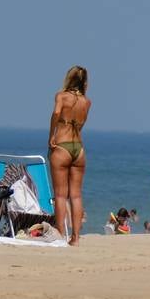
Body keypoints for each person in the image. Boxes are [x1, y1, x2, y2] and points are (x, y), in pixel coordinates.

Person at [48, 65, 91, 245]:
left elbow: (57, 112)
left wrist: (52, 135)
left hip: (62, 145)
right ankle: (76, 238)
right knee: (76, 195)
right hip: (78, 148)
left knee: (60, 194)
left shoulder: (61, 96)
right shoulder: (86, 102)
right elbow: (81, 124)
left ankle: (59, 235)